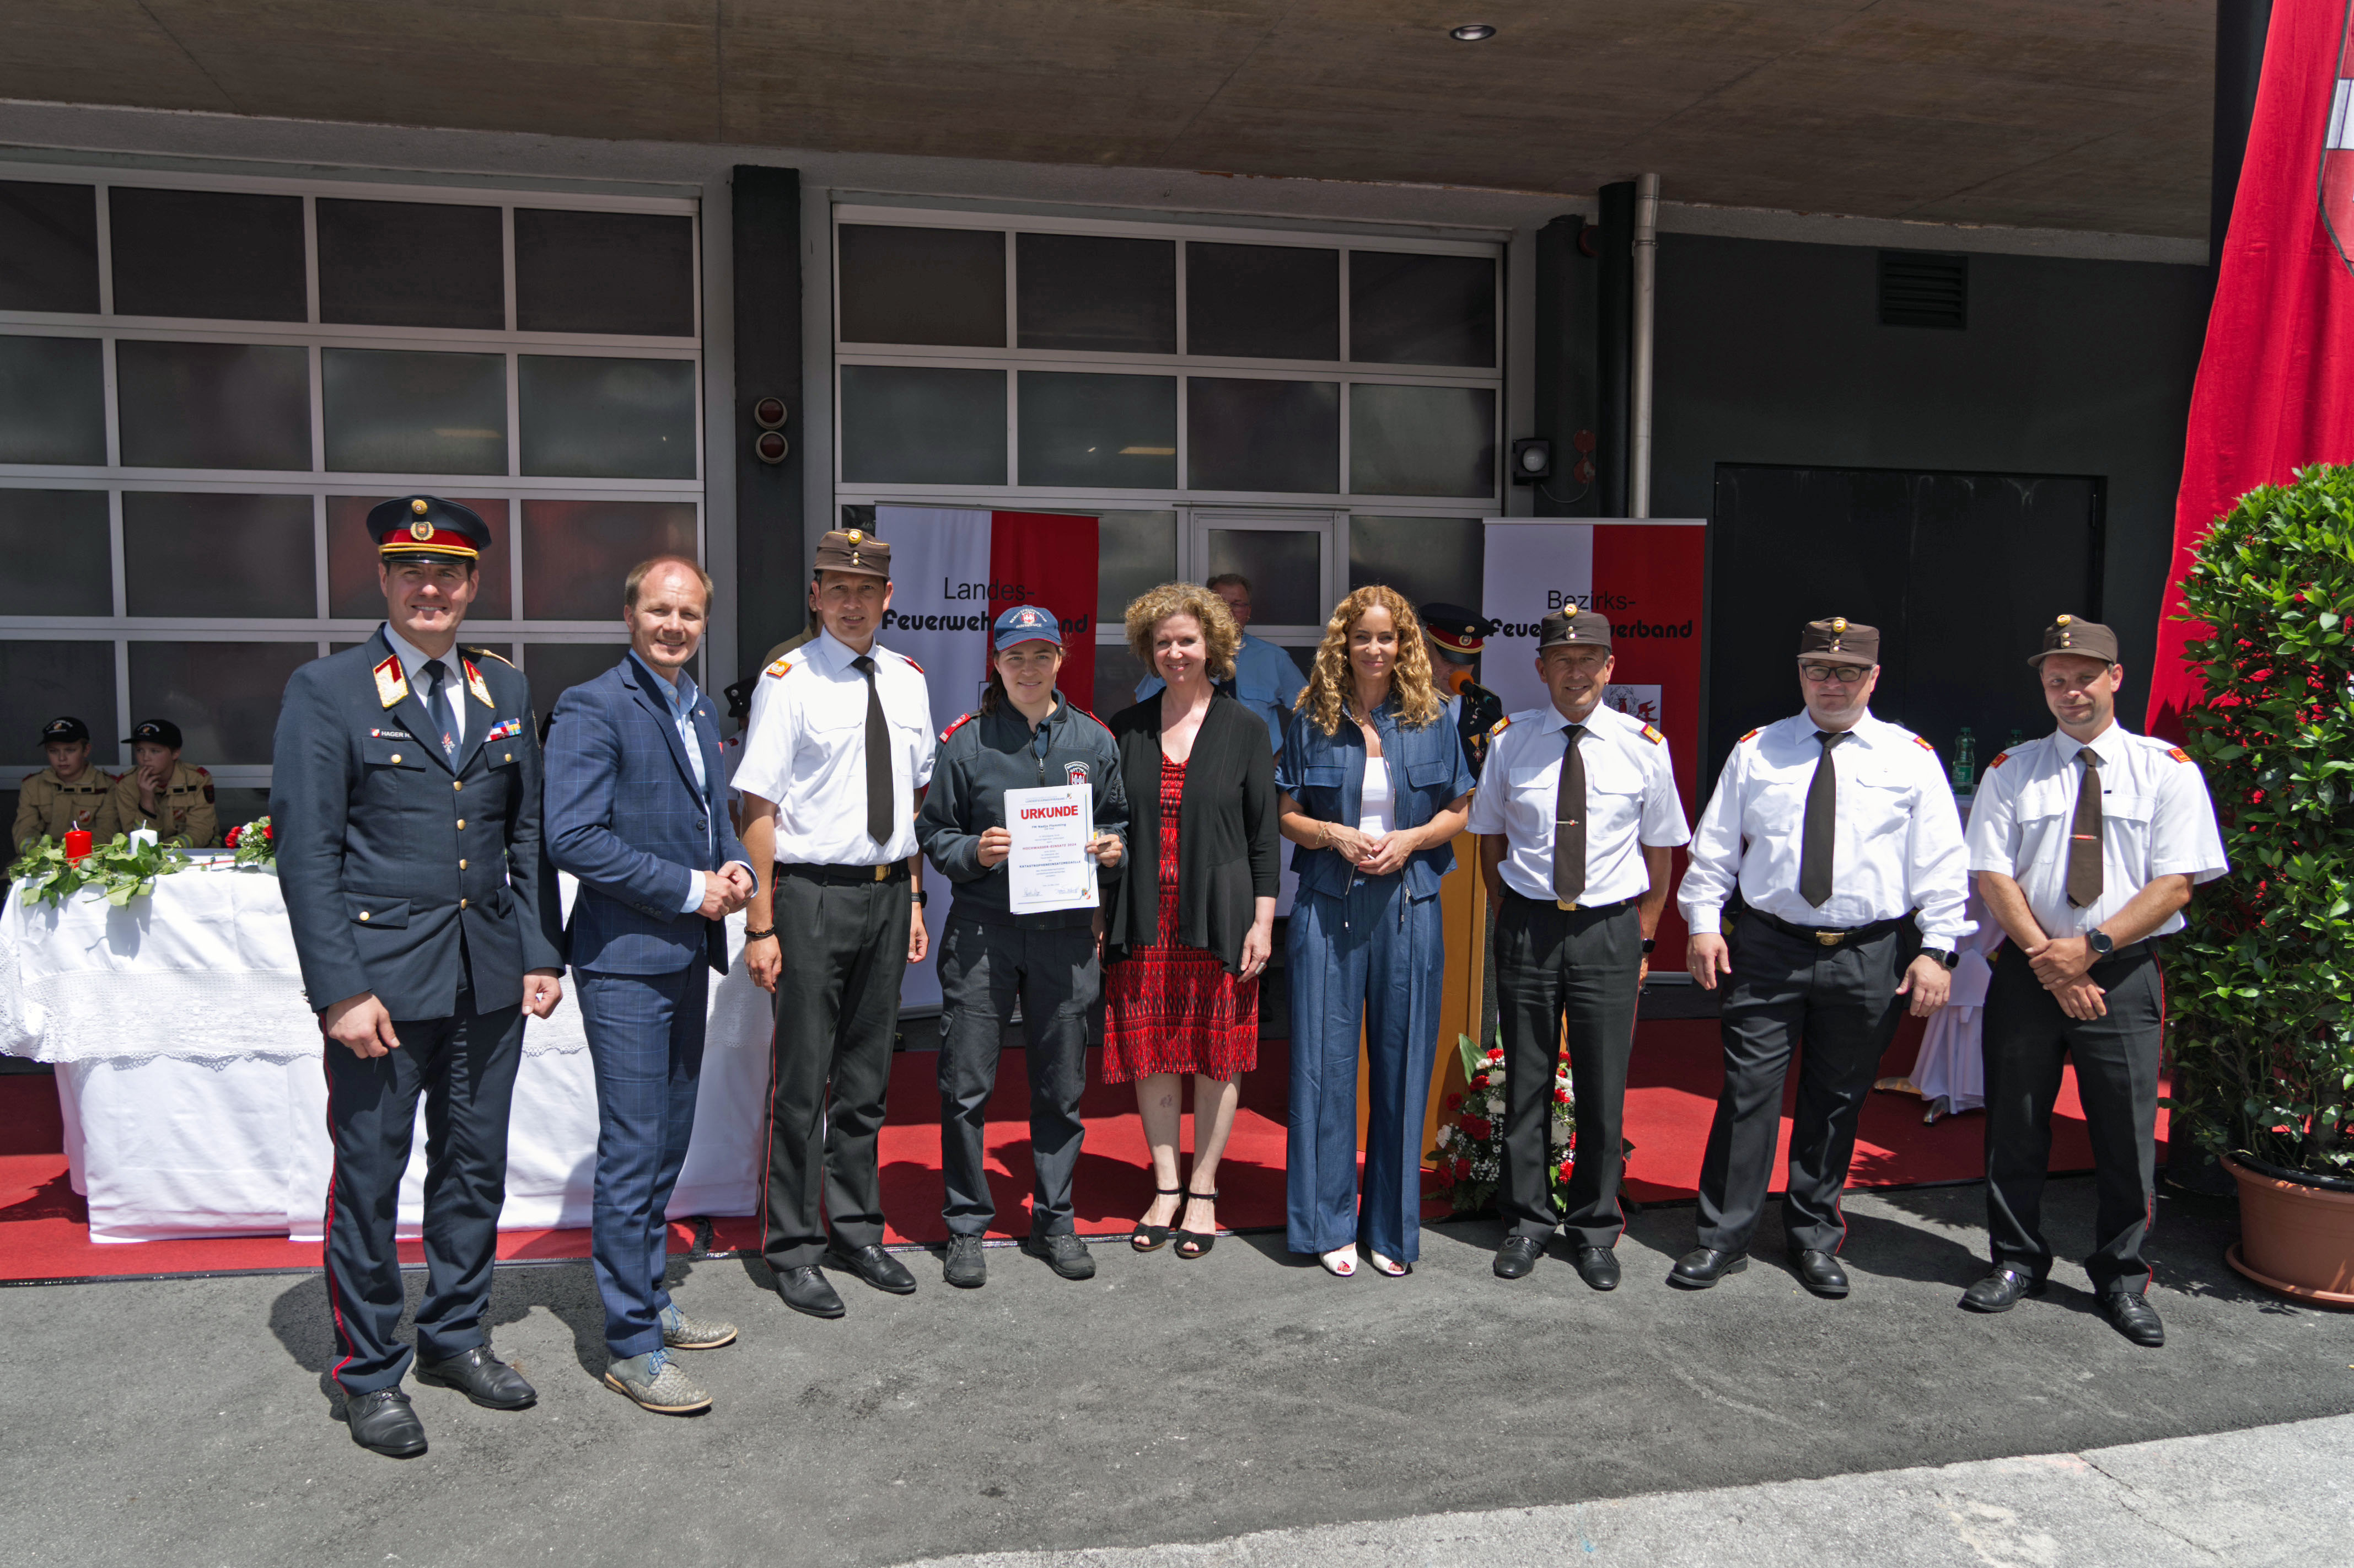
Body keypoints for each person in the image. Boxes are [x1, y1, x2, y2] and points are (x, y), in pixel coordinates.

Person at [270, 495, 565, 1458]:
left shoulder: (505, 688)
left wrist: (538, 949)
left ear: (474, 584)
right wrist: (339, 990)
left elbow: (525, 829)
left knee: (474, 1166)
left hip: (488, 978)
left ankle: (453, 1336)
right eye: (411, 572)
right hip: (382, 991)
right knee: (370, 1178)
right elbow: (308, 855)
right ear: (385, 581)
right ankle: (367, 1372)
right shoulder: (331, 688)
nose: (429, 587)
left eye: (448, 574)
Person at [1675, 617, 1967, 1297]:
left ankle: (1813, 1237)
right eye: (1817, 669)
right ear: (1800, 674)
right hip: (1769, 946)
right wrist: (1702, 923)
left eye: (1846, 672)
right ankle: (1722, 1238)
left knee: (1836, 1102)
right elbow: (1714, 848)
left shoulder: (1909, 757)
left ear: (1873, 678)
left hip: (1869, 952)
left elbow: (1942, 864)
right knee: (1748, 1095)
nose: (1830, 683)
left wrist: (1938, 950)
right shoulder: (1758, 750)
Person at [1961, 616, 2225, 1347]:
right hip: (2029, 965)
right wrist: (2052, 958)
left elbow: (2175, 886)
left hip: (2124, 970)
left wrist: (2092, 948)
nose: (2069, 691)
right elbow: (1991, 874)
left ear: (2115, 677)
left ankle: (2121, 1279)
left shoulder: (2165, 769)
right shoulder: (2011, 770)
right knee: (2015, 1127)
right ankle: (2015, 1262)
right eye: (2055, 679)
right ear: (2042, 686)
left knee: (2124, 1135)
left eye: (2083, 676)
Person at [543, 555, 756, 1414]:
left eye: (691, 614)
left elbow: (712, 816)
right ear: (630, 616)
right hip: (624, 959)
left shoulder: (694, 705)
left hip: (681, 955)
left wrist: (734, 863)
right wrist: (688, 887)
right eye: (661, 611)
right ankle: (629, 1344)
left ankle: (650, 1300)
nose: (676, 626)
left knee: (665, 1141)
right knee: (634, 1149)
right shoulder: (595, 706)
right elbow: (573, 836)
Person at [735, 528, 934, 1319]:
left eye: (867, 591)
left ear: (889, 599)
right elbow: (758, 805)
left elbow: (913, 801)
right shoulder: (788, 679)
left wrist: (915, 899)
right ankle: (792, 1248)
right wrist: (761, 922)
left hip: (888, 895)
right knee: (801, 1084)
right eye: (836, 590)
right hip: (811, 896)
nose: (852, 604)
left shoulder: (908, 679)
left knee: (865, 1080)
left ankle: (855, 1231)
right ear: (815, 596)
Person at [1472, 609, 1688, 1289]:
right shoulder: (1510, 741)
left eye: (1590, 659)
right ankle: (1527, 1222)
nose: (1577, 671)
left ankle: (1596, 1229)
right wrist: (1515, 913)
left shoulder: (1644, 745)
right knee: (1527, 1078)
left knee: (1601, 1084)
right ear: (1540, 669)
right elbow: (1489, 841)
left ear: (1610, 668)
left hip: (1608, 931)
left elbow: (1661, 855)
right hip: (1530, 926)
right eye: (1562, 660)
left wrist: (1645, 935)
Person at [915, 604, 1128, 1288]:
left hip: (1064, 939)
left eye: (1041, 655)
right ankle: (967, 1226)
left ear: (1060, 660)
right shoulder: (968, 742)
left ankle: (1055, 1218)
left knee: (1061, 1088)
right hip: (984, 935)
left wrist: (1112, 848)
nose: (1028, 669)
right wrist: (973, 850)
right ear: (996, 664)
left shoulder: (1093, 742)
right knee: (965, 1086)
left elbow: (1119, 822)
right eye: (1015, 657)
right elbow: (934, 833)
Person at [1276, 587, 1474, 1277]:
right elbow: (1286, 813)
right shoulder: (1311, 718)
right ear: (1343, 644)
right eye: (1362, 636)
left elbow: (1459, 808)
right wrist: (1331, 833)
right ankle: (1327, 1226)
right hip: (1329, 905)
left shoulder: (1435, 718)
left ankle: (1390, 1231)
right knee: (1324, 1070)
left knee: (1401, 1064)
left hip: (1408, 905)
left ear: (1405, 645)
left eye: (1387, 637)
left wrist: (1415, 838)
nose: (1374, 648)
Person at [1103, 582, 1280, 1259]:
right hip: (1144, 916)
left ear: (1213, 646)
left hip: (1222, 917)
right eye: (1164, 641)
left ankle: (1204, 1188)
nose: (1176, 652)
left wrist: (1263, 923)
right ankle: (1166, 1184)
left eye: (1188, 640)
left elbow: (1266, 839)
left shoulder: (1246, 729)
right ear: (1149, 650)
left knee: (1217, 1054)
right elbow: (1109, 826)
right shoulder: (1125, 729)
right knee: (1150, 1054)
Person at [1135, 573, 1305, 758]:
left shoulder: (1274, 658)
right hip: (1197, 766)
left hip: (1259, 767)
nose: (1228, 610)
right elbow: (1140, 707)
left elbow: (1310, 712)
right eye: (1220, 603)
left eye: (1237, 604)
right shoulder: (1179, 660)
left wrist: (1285, 761)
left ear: (1248, 612)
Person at [96, 718, 217, 847]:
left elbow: (201, 832)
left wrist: (163, 849)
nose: (145, 758)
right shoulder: (126, 784)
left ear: (175, 753)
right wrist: (146, 801)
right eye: (140, 750)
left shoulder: (197, 779)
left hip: (196, 856)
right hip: (147, 859)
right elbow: (134, 838)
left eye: (154, 751)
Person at [1418, 602, 1505, 777]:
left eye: (1465, 662)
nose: (1456, 671)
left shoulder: (1487, 703)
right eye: (1447, 660)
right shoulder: (1404, 702)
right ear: (1425, 650)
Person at [13, 716, 113, 853]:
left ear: (86, 750)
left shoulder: (106, 786)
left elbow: (107, 833)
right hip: (40, 860)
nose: (62, 758)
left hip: (90, 860)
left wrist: (70, 854)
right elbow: (24, 834)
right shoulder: (32, 786)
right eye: (53, 751)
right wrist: (45, 856)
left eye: (70, 750)